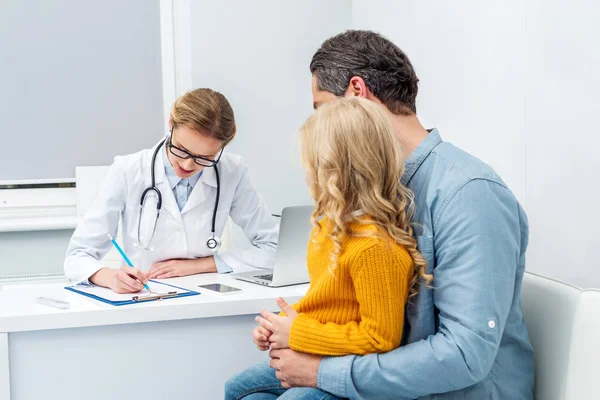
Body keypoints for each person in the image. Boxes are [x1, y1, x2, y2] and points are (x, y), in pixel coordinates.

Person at [268, 30, 535, 399]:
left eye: (320, 108)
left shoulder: (469, 193)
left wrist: (325, 373)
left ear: (357, 93)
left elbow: (464, 354)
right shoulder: (376, 194)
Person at [225, 97, 429, 400]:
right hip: (317, 348)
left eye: (311, 163)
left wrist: (297, 332)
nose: (307, 173)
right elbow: (329, 306)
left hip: (351, 366)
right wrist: (282, 327)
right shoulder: (327, 230)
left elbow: (381, 339)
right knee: (239, 390)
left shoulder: (374, 248)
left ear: (335, 170)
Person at [64, 88, 278, 293]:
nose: (187, 165)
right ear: (170, 123)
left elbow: (274, 247)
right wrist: (110, 277)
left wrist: (203, 264)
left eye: (205, 158)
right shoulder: (128, 170)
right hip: (145, 294)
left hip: (208, 296)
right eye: (182, 150)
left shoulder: (232, 171)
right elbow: (77, 256)